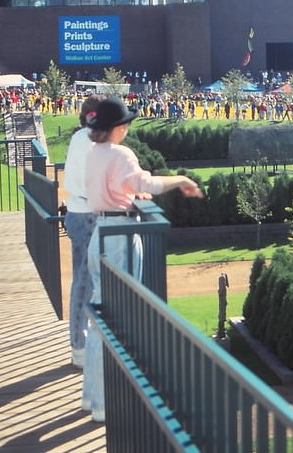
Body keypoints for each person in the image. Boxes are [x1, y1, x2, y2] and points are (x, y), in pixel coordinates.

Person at [80, 96, 203, 423]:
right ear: (118, 127)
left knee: (100, 315)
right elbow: (145, 182)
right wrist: (181, 180)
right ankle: (108, 404)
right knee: (118, 318)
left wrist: (132, 194)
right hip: (118, 234)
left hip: (101, 232)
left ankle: (94, 398)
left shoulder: (94, 153)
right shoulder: (120, 153)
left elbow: (121, 187)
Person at [61, 94, 103, 369]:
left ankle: (81, 344)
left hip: (79, 213)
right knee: (84, 285)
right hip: (86, 215)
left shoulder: (79, 138)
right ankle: (79, 348)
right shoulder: (90, 141)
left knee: (84, 283)